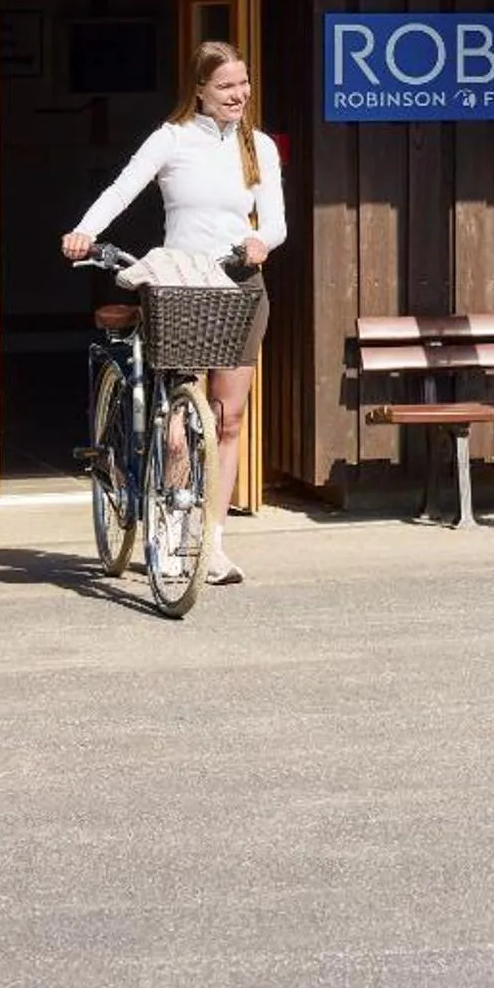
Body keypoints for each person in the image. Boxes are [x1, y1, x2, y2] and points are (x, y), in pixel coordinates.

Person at [61, 40, 285, 588]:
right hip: (181, 280)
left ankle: (211, 542)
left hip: (238, 282)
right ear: (200, 89)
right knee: (178, 425)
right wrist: (85, 230)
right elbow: (122, 189)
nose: (239, 94)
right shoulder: (173, 138)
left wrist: (261, 242)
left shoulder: (258, 146)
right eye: (226, 85)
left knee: (228, 419)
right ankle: (169, 530)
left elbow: (276, 221)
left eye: (244, 83)